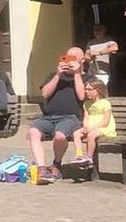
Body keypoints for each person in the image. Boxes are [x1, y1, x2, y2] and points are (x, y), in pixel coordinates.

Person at [27, 46, 92, 184]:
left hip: (71, 117)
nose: (69, 61)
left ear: (82, 60)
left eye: (73, 58)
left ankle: (56, 164)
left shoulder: (88, 77)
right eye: (67, 57)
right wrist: (58, 75)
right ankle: (42, 168)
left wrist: (76, 74)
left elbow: (82, 97)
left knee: (60, 135)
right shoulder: (53, 75)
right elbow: (45, 94)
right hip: (48, 117)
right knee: (33, 131)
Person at [71, 77, 115, 167]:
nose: (86, 92)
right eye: (85, 89)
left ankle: (89, 157)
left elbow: (105, 122)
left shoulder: (105, 103)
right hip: (90, 128)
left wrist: (91, 129)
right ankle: (79, 155)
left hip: (104, 128)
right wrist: (85, 127)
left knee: (91, 135)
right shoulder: (86, 104)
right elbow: (86, 118)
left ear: (98, 91)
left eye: (89, 89)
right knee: (76, 133)